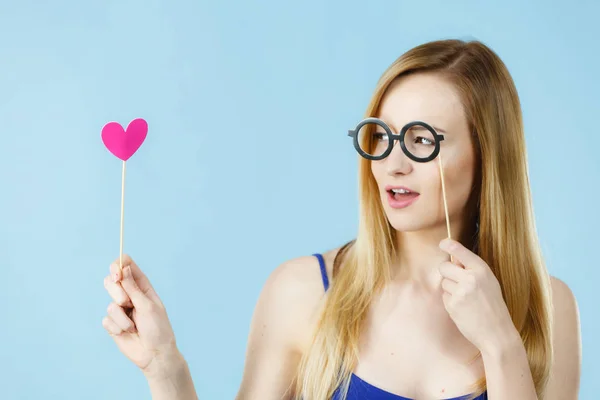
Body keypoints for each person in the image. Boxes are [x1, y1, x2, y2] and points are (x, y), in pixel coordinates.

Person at [101, 39, 582, 400]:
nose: (392, 164)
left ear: (487, 158)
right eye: (382, 136)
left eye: (421, 141)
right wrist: (165, 367)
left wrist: (501, 345)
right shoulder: (302, 291)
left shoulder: (548, 306)